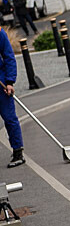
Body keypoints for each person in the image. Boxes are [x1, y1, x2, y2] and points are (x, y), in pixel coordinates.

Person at [1, 28, 24, 167]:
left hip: (1, 84)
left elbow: (9, 56)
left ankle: (18, 152)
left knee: (9, 118)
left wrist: (9, 82)